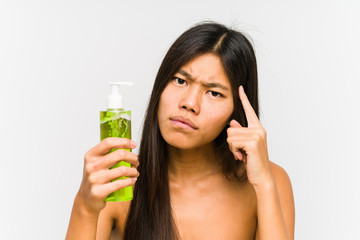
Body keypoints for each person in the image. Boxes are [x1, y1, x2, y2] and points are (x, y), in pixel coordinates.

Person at [66, 22, 295, 240]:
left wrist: (264, 184)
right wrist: (85, 206)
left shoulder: (270, 181)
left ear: (236, 112)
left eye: (214, 93)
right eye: (180, 80)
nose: (189, 103)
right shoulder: (119, 185)